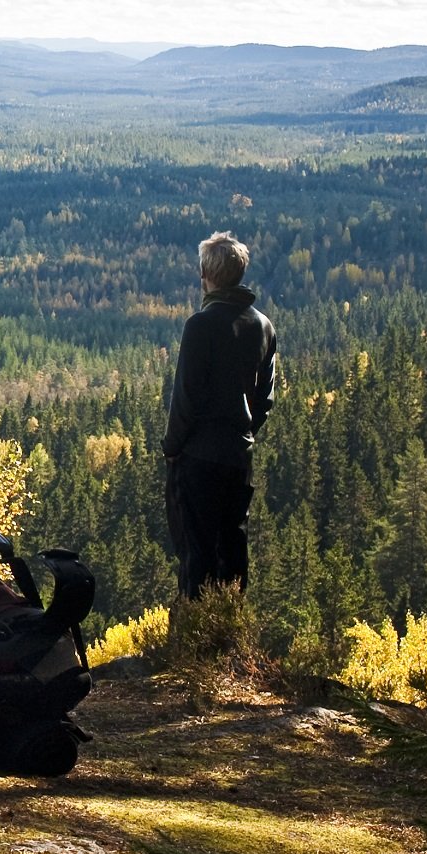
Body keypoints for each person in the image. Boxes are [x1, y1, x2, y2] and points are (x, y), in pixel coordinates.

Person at [163, 231, 277, 597]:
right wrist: (245, 432)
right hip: (238, 457)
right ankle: (229, 628)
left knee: (196, 552)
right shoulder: (263, 326)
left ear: (206, 275)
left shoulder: (200, 326)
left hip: (197, 457)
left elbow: (186, 397)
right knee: (232, 547)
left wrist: (172, 447)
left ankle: (194, 637)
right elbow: (265, 399)